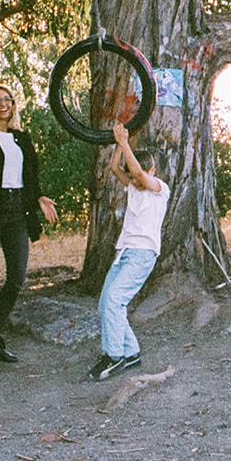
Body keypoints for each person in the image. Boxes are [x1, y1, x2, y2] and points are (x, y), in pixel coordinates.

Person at [0, 83, 58, 375]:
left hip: (18, 211)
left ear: (14, 104)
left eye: (7, 99)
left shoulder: (22, 138)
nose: (3, 104)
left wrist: (39, 197)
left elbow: (31, 176)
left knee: (17, 277)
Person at [87, 121, 170, 381]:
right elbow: (116, 168)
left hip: (142, 254)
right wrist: (116, 143)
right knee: (106, 305)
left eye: (141, 175)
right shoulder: (134, 185)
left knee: (115, 301)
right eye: (133, 177)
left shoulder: (159, 189)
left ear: (152, 170)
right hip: (124, 253)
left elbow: (138, 172)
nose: (136, 180)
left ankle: (113, 356)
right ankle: (131, 352)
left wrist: (125, 143)